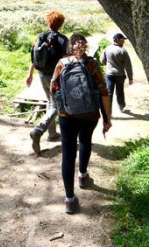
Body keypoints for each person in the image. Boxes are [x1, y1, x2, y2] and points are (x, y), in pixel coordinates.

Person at [51, 34, 111, 214]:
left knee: (68, 154)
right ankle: (83, 176)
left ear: (70, 47)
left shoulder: (61, 64)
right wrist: (107, 119)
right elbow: (104, 92)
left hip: (66, 115)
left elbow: (53, 88)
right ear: (85, 46)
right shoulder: (92, 64)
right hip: (89, 114)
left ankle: (70, 200)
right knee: (85, 141)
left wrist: (63, 104)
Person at [27, 10, 69, 155]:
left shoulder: (41, 37)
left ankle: (52, 134)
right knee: (57, 105)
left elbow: (33, 59)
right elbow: (65, 60)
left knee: (49, 101)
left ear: (48, 22)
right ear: (61, 24)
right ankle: (38, 130)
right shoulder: (63, 39)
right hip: (56, 76)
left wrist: (29, 75)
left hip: (41, 74)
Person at [100, 32, 134, 115]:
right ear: (117, 40)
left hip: (109, 74)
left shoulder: (107, 48)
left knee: (109, 92)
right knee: (120, 92)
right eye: (122, 40)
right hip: (120, 75)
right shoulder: (123, 51)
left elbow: (102, 60)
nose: (124, 41)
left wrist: (108, 64)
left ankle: (108, 111)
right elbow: (128, 65)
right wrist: (130, 77)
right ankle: (121, 107)